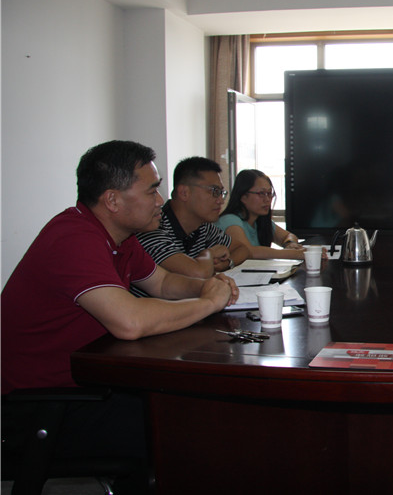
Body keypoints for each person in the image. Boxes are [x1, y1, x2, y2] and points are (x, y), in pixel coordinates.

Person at [1, 140, 239, 493]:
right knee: (192, 423)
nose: (160, 201)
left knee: (194, 405)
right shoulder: (73, 238)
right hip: (41, 407)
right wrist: (209, 304)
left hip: (90, 383)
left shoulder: (121, 237)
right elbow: (130, 322)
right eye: (152, 191)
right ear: (112, 200)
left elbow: (163, 283)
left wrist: (206, 287)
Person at [136, 157, 249, 285]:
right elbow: (199, 273)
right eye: (214, 191)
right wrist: (209, 253)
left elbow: (242, 249)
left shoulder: (202, 226)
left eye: (221, 193)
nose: (221, 201)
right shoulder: (153, 227)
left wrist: (227, 263)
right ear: (184, 193)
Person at [216, 169, 326, 261]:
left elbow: (288, 235)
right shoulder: (229, 220)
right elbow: (247, 251)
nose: (267, 199)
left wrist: (290, 243)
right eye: (261, 193)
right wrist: (297, 254)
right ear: (243, 196)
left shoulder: (260, 221)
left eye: (269, 193)